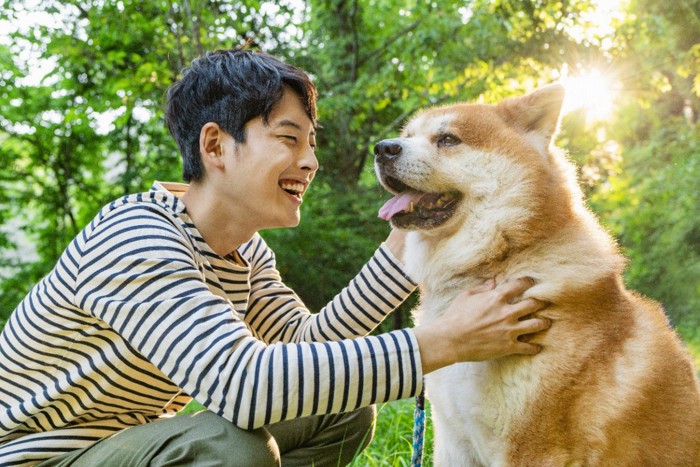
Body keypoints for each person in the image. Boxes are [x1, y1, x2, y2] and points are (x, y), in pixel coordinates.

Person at [0, 45, 550, 466]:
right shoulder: (134, 236)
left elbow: (307, 348)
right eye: (289, 139)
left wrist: (401, 248)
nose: (309, 162)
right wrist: (446, 342)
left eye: (312, 143)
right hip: (40, 456)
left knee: (339, 404)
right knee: (229, 447)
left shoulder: (244, 253)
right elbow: (247, 388)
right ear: (214, 146)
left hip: (126, 443)